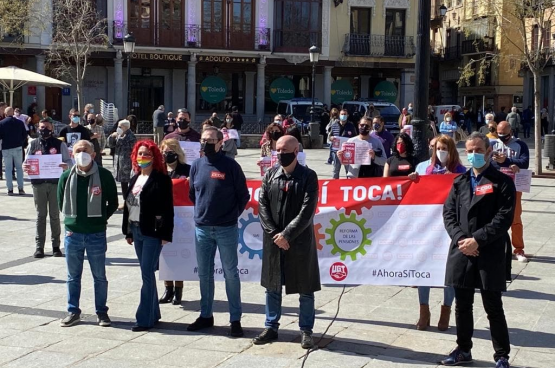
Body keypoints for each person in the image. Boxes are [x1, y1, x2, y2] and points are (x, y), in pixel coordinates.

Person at [440, 132, 515, 368]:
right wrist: (462, 239)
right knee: (462, 304)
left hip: (489, 251)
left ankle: (501, 355)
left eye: (478, 150)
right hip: (462, 249)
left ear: (489, 152)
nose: (474, 155)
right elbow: (449, 214)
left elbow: (504, 218)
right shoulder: (460, 181)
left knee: (492, 304)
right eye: (470, 151)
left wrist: (478, 240)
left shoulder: (502, 182)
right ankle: (463, 349)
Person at [253, 135, 320, 349]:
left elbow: (307, 211)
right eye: (278, 150)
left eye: (285, 150)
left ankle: (306, 330)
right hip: (274, 241)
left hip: (299, 242)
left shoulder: (308, 176)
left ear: (296, 151)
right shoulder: (270, 175)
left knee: (305, 288)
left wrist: (287, 235)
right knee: (272, 286)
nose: (281, 154)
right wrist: (275, 234)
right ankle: (271, 326)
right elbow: (262, 205)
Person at [187, 126, 250, 337]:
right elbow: (192, 194)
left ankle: (235, 319)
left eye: (210, 140)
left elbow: (243, 195)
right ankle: (206, 315)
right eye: (203, 140)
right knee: (204, 274)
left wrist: (230, 215)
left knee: (231, 274)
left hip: (226, 228)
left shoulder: (231, 166)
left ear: (220, 142)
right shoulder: (196, 165)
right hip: (202, 229)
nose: (205, 143)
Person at [57, 140, 118, 327]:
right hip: (73, 234)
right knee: (72, 276)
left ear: (93, 154)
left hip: (96, 234)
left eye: (85, 150)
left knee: (99, 276)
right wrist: (73, 221)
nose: (81, 153)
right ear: (72, 154)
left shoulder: (105, 176)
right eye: (78, 150)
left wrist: (99, 220)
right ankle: (73, 311)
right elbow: (61, 204)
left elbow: (113, 202)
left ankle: (102, 312)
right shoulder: (66, 176)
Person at [413, 135, 465, 331]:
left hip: (451, 227)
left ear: (451, 150)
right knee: (424, 269)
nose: (440, 151)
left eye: (444, 148)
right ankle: (423, 311)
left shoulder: (460, 172)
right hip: (427, 225)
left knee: (449, 271)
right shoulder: (422, 167)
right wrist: (413, 180)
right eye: (438, 148)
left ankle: (446, 311)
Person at [122, 140, 174, 331]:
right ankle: (154, 313)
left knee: (146, 274)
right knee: (147, 275)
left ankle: (144, 318)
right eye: (139, 153)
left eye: (146, 154)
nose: (142, 157)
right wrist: (127, 231)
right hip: (136, 230)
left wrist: (166, 233)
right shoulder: (135, 178)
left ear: (154, 157)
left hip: (152, 232)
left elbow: (168, 209)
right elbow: (129, 206)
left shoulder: (161, 179)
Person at [24, 119, 72, 258]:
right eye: (42, 127)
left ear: (52, 129)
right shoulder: (33, 144)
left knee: (54, 215)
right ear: (38, 128)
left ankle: (56, 246)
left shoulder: (59, 144)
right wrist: (24, 166)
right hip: (38, 183)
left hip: (55, 183)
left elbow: (69, 161)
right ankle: (39, 246)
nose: (44, 129)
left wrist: (65, 165)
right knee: (40, 215)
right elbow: (26, 161)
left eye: (47, 127)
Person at [491, 121, 530, 263]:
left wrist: (507, 160)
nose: (502, 137)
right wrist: (503, 162)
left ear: (511, 132)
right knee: (493, 217)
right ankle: (497, 248)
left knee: (515, 217)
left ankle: (519, 249)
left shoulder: (520, 144)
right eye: (499, 134)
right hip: (496, 185)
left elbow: (524, 162)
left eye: (505, 135)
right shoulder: (492, 144)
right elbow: (489, 162)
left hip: (514, 186)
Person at [158, 138, 190, 305]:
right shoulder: (158, 170)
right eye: (164, 150)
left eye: (171, 150)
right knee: (165, 254)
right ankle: (167, 288)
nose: (167, 153)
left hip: (183, 217)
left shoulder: (187, 170)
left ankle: (178, 290)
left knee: (180, 254)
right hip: (163, 217)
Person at [108, 119, 137, 210]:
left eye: (120, 126)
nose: (118, 128)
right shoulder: (118, 135)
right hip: (119, 163)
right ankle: (125, 201)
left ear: (125, 127)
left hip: (127, 163)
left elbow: (129, 146)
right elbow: (111, 145)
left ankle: (130, 201)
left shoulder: (131, 136)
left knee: (130, 183)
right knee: (123, 183)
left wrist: (120, 138)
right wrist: (112, 137)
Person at [0, 107, 28, 195]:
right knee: (19, 168)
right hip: (18, 147)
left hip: (6, 148)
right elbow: (25, 135)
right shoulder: (20, 122)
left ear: (5, 113)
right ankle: (21, 188)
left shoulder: (1, 123)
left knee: (8, 169)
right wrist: (20, 142)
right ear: (13, 113)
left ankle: (10, 189)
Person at [329, 109, 357, 179]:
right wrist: (331, 138)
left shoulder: (351, 126)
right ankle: (335, 185)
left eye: (345, 114)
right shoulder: (334, 124)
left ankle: (349, 184)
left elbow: (355, 137)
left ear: (347, 115)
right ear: (339, 115)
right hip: (336, 151)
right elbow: (329, 136)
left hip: (347, 152)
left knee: (348, 170)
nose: (343, 116)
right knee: (336, 169)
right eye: (342, 114)